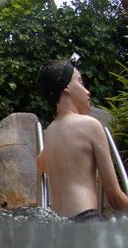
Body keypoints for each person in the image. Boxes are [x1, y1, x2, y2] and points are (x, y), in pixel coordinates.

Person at [37, 59, 128, 220]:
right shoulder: (90, 125)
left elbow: (40, 164)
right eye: (80, 82)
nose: (87, 92)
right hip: (87, 220)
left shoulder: (50, 133)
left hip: (59, 228)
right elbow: (115, 198)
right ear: (66, 88)